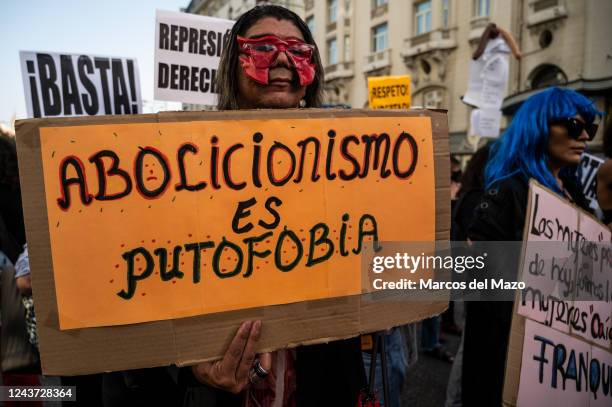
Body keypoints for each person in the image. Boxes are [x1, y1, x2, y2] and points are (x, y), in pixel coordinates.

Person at [103, 5, 364, 407]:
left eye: (297, 50)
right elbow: (143, 289)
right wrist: (190, 365)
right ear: (232, 67)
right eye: (261, 47)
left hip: (322, 381)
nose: (281, 59)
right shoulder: (181, 167)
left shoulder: (349, 163)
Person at [462, 87, 600, 405]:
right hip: (514, 359)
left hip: (563, 362)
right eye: (574, 127)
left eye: (589, 128)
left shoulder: (576, 196)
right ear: (539, 127)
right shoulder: (508, 192)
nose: (584, 138)